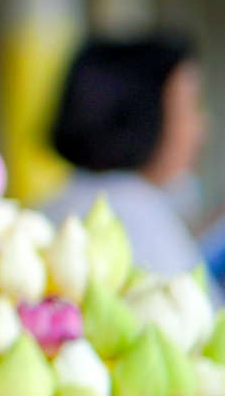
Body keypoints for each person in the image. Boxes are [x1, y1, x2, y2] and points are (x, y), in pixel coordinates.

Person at [41, 32, 212, 283]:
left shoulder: (55, 204)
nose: (201, 127)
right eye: (189, 106)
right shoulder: (136, 215)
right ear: (143, 118)